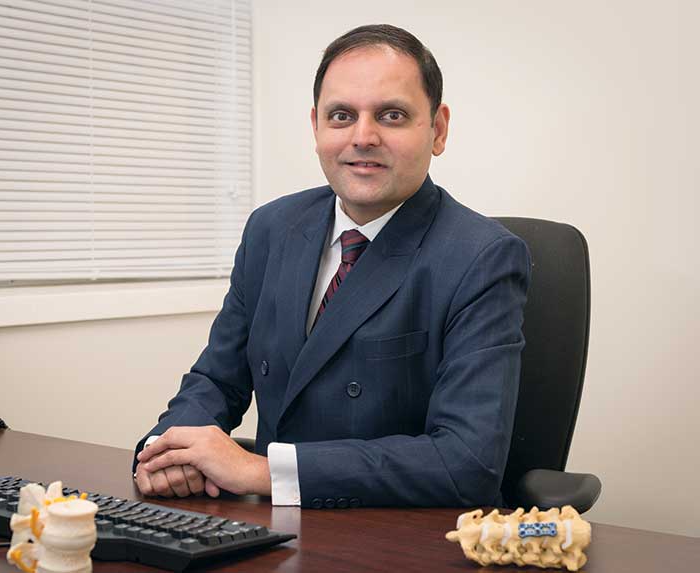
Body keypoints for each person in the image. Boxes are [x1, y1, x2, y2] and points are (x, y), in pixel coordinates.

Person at [134, 24, 531, 509]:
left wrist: (258, 470)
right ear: (316, 127)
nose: (363, 137)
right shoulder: (271, 228)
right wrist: (164, 451)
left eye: (392, 115)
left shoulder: (482, 257)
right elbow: (218, 379)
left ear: (438, 129)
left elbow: (467, 462)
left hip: (392, 538)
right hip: (270, 530)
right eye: (341, 115)